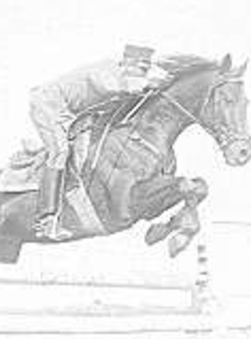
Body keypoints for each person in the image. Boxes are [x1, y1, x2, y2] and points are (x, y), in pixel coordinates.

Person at [28, 45, 165, 240]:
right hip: (49, 105)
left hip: (74, 112)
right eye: (141, 69)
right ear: (127, 64)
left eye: (145, 70)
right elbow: (112, 87)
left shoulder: (124, 74)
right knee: (60, 152)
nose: (143, 74)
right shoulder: (106, 72)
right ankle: (46, 219)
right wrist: (147, 84)